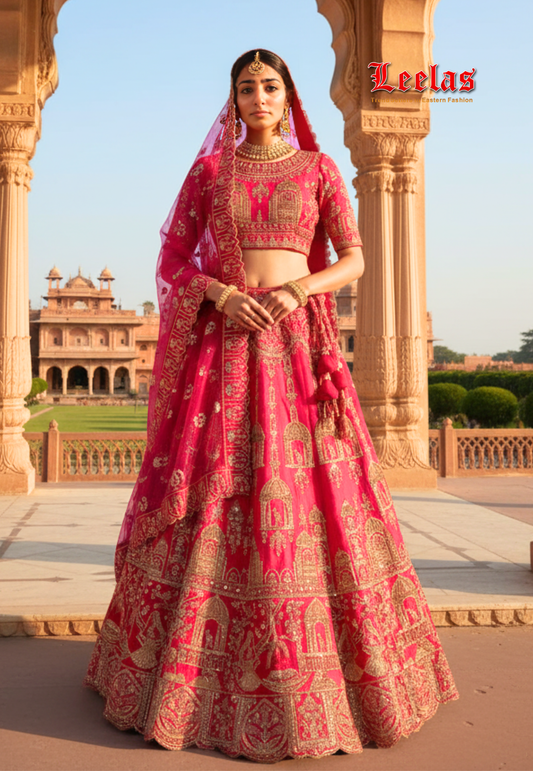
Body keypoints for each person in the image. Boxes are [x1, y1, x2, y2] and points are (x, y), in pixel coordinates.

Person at [84, 49, 458, 762]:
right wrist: (221, 294)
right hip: (224, 347)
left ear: (288, 97)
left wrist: (298, 289)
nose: (258, 96)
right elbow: (173, 261)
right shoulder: (210, 172)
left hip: (297, 344)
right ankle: (181, 679)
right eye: (246, 87)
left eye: (270, 85)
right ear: (233, 100)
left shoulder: (318, 169)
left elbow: (353, 257)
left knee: (315, 491)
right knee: (213, 486)